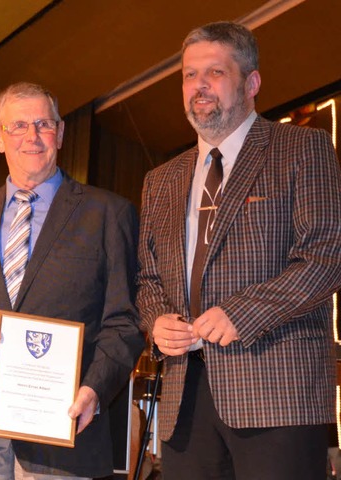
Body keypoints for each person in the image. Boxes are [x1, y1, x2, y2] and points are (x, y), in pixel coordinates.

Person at [136, 21, 341, 480]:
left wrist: (240, 314)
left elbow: (327, 256)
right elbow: (147, 279)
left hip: (276, 396)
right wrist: (156, 321)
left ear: (251, 83)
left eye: (215, 73)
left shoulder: (302, 149)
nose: (199, 86)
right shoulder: (161, 180)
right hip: (184, 402)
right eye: (190, 75)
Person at [0, 82, 144, 479]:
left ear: (60, 133)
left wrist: (95, 388)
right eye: (19, 126)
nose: (32, 136)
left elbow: (124, 321)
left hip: (65, 429)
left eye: (43, 124)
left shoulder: (109, 214)